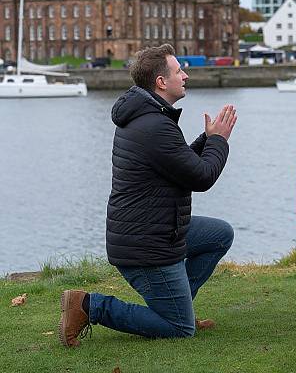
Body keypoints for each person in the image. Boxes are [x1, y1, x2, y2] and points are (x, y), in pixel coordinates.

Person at [58, 44, 237, 346]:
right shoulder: (154, 125)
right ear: (161, 82)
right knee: (180, 329)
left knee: (219, 234)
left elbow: (178, 163)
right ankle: (88, 305)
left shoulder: (150, 117)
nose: (186, 75)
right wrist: (219, 140)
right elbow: (202, 176)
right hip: (146, 244)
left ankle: (180, 304)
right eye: (179, 70)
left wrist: (207, 139)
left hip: (153, 230)